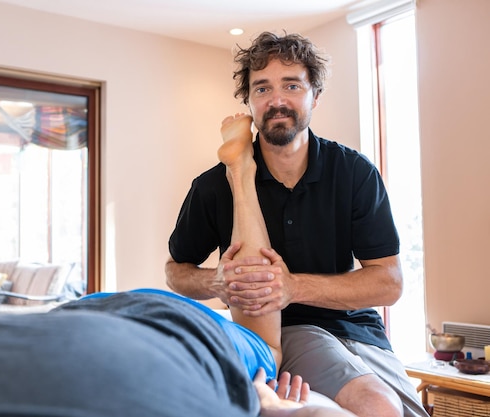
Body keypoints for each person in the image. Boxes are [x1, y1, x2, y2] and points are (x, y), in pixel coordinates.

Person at [165, 31, 428, 417]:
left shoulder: (353, 172)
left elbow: (389, 283)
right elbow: (176, 272)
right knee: (380, 408)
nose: (276, 101)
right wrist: (213, 281)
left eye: (291, 85)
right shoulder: (212, 187)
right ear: (248, 101)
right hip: (283, 332)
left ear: (314, 96)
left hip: (360, 332)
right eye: (262, 89)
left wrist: (292, 286)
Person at [0, 289, 354, 417]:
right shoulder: (253, 353)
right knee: (265, 339)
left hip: (90, 317)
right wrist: (271, 405)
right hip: (138, 324)